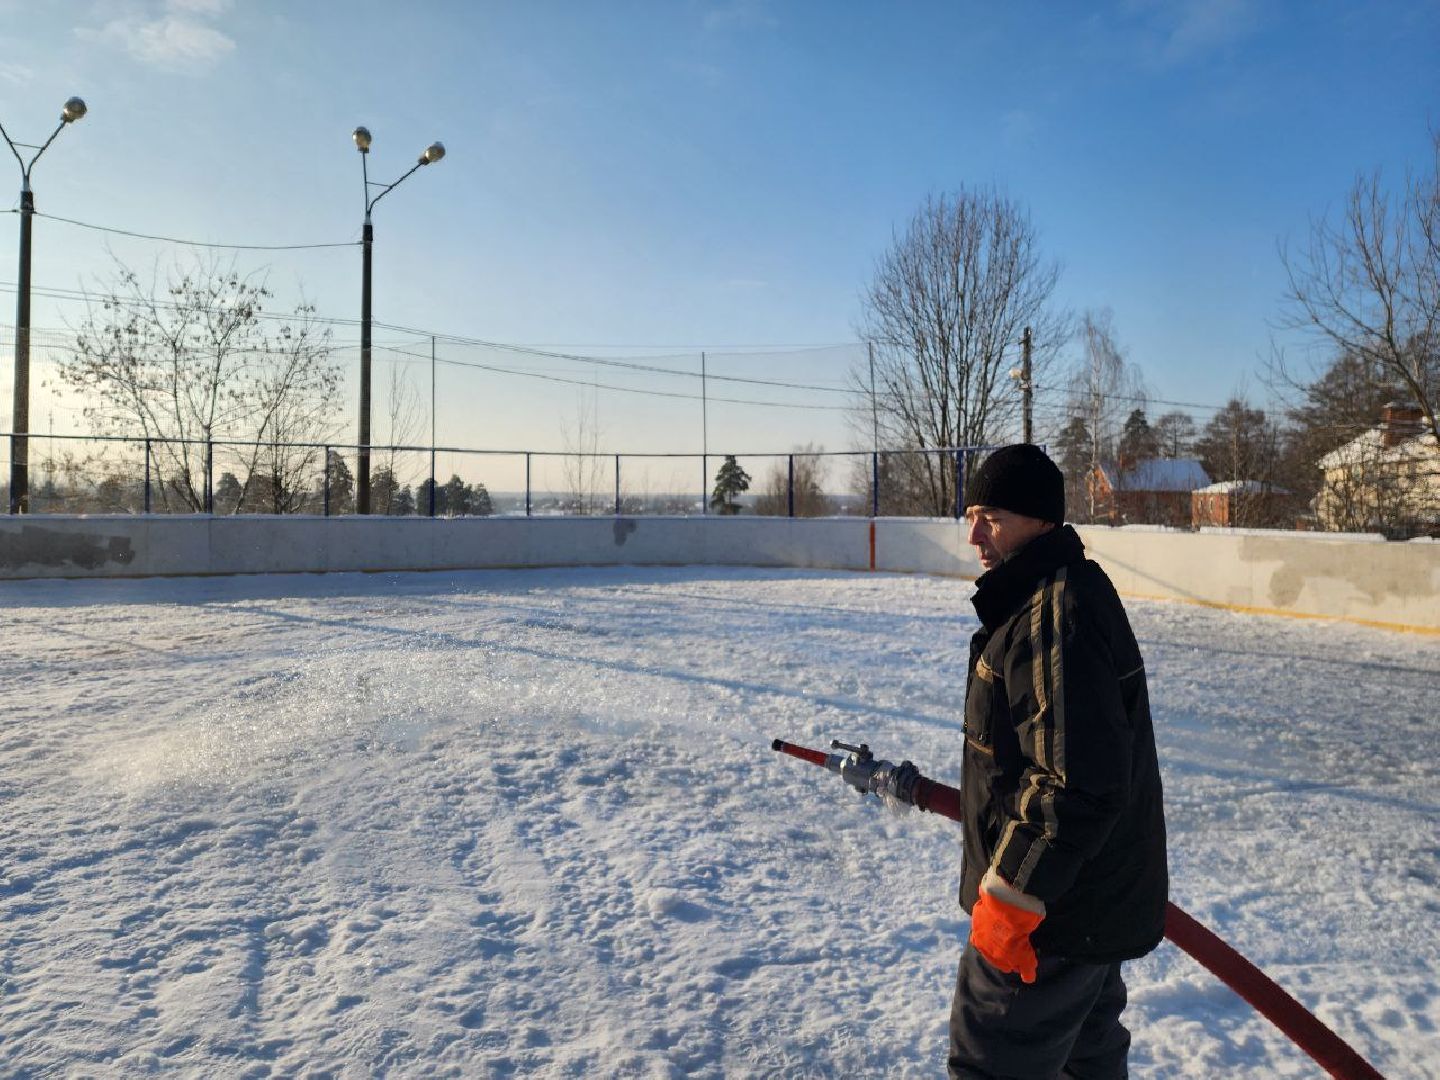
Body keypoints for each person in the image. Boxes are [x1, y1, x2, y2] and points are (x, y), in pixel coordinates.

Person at [949, 443, 1168, 1080]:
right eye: (971, 514)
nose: (973, 536)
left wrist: (1012, 899)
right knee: (1084, 1062)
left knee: (992, 1063)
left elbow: (1073, 782)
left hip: (1048, 920)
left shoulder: (1054, 611)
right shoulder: (1044, 596)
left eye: (991, 516)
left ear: (1040, 521)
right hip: (1081, 908)